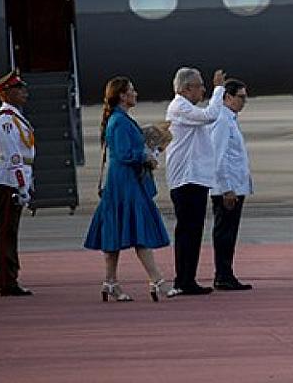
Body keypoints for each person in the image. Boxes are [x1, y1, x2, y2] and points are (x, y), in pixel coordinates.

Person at [84, 77, 172, 302]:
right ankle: (157, 279)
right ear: (122, 95)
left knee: (114, 233)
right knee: (138, 231)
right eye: (131, 90)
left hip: (121, 183)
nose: (136, 93)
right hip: (126, 184)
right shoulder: (120, 122)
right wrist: (147, 157)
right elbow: (125, 154)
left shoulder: (119, 119)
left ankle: (110, 281)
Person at [166, 67, 226, 297]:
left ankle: (186, 278)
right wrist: (219, 88)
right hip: (186, 180)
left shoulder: (186, 108)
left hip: (193, 178)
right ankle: (184, 280)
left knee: (192, 231)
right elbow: (210, 115)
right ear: (186, 88)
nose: (203, 89)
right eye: (200, 85)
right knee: (188, 231)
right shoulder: (180, 106)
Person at [0, 71, 34, 296]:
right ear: (6, 94)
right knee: (5, 231)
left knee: (10, 231)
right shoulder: (6, 120)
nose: (25, 92)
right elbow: (13, 156)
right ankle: (6, 281)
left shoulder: (15, 116)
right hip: (9, 180)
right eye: (19, 89)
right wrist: (21, 185)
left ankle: (10, 277)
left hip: (15, 178)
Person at [210, 79, 254, 291]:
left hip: (234, 187)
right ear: (227, 97)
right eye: (241, 97)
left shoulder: (230, 119)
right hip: (227, 190)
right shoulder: (222, 121)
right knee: (224, 233)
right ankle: (223, 275)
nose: (244, 101)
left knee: (229, 233)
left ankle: (226, 274)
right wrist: (227, 188)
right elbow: (218, 159)